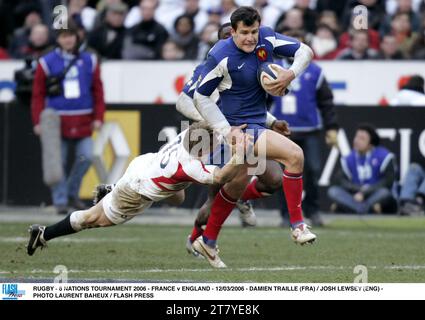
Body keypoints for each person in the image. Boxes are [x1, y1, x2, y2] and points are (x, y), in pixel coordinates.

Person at [189, 6, 316, 268]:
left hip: (257, 125)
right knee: (295, 155)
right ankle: (298, 225)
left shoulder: (266, 39)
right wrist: (226, 130)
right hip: (240, 130)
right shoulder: (220, 56)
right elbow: (200, 96)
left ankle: (208, 241)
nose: (250, 38)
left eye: (254, 32)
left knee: (234, 189)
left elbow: (305, 51)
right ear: (232, 32)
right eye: (244, 33)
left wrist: (290, 74)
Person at [26, 121, 247, 258]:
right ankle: (44, 234)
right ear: (204, 146)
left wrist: (229, 131)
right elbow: (221, 176)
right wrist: (240, 154)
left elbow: (210, 127)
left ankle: (112, 189)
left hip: (144, 164)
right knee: (92, 220)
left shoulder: (190, 132)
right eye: (215, 142)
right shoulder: (191, 166)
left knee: (178, 197)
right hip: (136, 190)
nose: (219, 142)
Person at [176, 23, 288, 234]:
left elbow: (249, 105)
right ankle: (195, 238)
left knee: (274, 180)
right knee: (215, 200)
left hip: (248, 132)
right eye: (227, 36)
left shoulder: (251, 65)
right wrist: (216, 123)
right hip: (224, 137)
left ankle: (242, 198)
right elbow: (183, 101)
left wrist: (272, 122)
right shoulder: (208, 67)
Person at [31, 25, 105, 214]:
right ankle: (60, 201)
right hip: (56, 121)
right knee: (58, 162)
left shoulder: (90, 60)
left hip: (83, 119)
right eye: (64, 36)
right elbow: (38, 94)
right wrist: (38, 121)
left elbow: (98, 90)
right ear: (58, 39)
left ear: (77, 37)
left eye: (71, 36)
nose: (68, 40)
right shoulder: (46, 62)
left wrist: (99, 116)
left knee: (87, 157)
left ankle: (72, 193)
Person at [271, 30, 339, 227]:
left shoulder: (315, 71)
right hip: (282, 130)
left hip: (310, 129)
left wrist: (331, 127)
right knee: (286, 174)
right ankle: (286, 214)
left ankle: (313, 210)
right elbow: (265, 100)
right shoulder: (273, 69)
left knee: (313, 171)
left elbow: (326, 101)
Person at [327, 124, 397, 214]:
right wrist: (358, 190)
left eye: (362, 138)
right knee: (333, 191)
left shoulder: (384, 156)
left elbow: (387, 182)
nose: (357, 141)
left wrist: (365, 192)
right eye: (356, 137)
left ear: (371, 143)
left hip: (375, 194)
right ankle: (365, 209)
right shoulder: (349, 158)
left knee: (384, 193)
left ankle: (353, 208)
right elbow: (341, 181)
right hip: (355, 195)